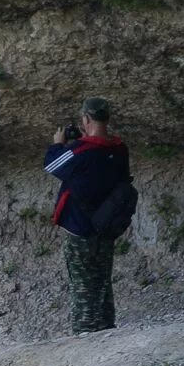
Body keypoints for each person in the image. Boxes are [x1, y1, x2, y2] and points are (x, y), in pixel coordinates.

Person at [44, 96, 131, 334]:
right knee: (102, 281)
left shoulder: (80, 151)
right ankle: (106, 329)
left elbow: (51, 165)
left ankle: (86, 333)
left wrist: (58, 144)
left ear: (86, 119)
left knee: (83, 285)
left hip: (80, 229)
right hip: (106, 225)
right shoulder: (119, 149)